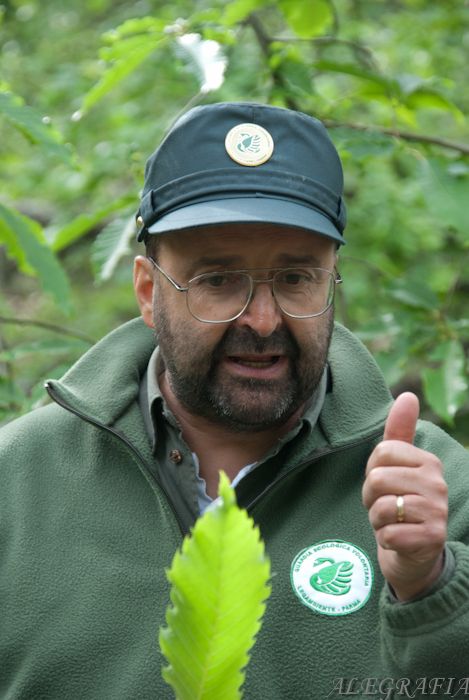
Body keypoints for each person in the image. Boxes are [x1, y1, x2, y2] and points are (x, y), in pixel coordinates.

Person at [0, 102, 468, 700]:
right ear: (148, 292)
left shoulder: (438, 490)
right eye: (217, 281)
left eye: (297, 278)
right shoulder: (18, 482)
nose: (263, 319)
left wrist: (432, 586)